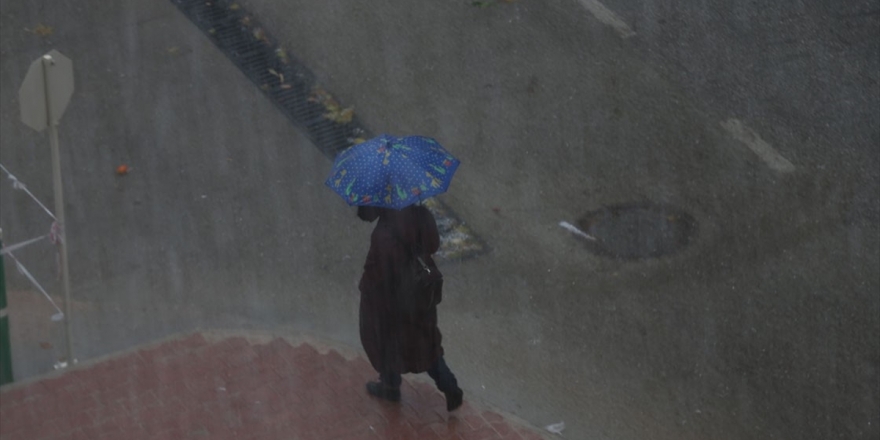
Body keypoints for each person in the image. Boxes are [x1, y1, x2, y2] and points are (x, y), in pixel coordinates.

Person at [356, 204, 464, 411]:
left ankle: (390, 386)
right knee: (426, 347)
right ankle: (450, 386)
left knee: (386, 344)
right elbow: (433, 244)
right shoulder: (421, 214)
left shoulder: (384, 235)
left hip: (394, 306)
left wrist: (367, 289)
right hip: (420, 295)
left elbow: (378, 277)